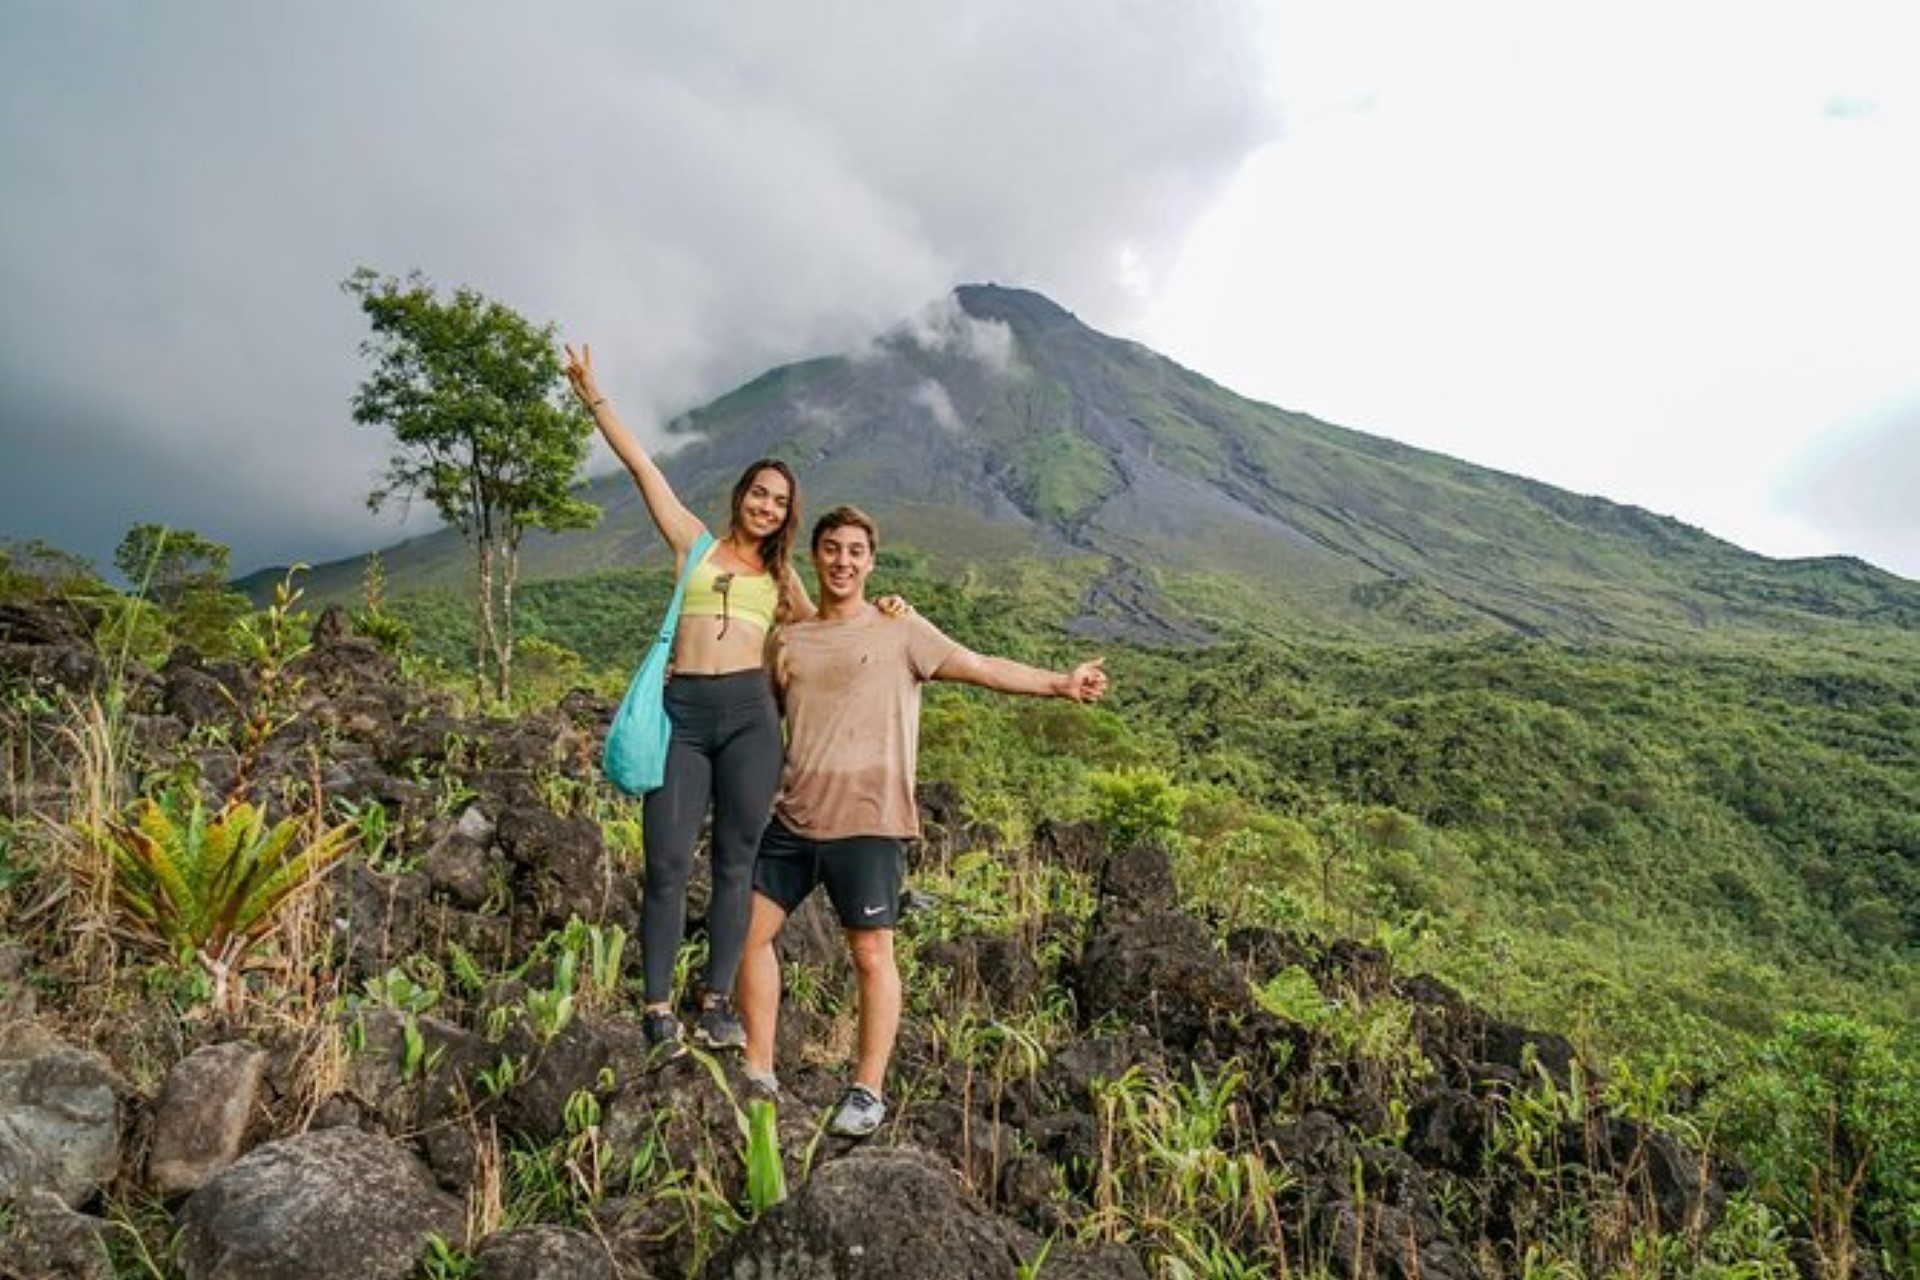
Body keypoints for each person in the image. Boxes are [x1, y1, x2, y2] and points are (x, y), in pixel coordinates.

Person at [735, 505, 1109, 1137]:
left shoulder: (900, 630)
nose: (842, 561)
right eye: (831, 549)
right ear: (816, 556)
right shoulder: (790, 640)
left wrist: (1060, 684)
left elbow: (983, 667)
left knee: (871, 953)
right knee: (747, 934)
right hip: (795, 818)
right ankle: (759, 1069)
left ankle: (867, 1090)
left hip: (871, 822)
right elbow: (754, 720)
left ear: (871, 561)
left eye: (855, 551)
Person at [564, 342, 812, 1060]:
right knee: (668, 862)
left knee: (736, 862)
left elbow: (831, 630)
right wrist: (594, 397)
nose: (766, 507)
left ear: (788, 514)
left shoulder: (785, 582)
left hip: (751, 721)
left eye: (780, 502)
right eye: (759, 494)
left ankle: (716, 1003)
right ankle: (657, 1005)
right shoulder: (694, 545)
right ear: (740, 495)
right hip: (686, 715)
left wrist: (889, 611)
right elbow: (643, 466)